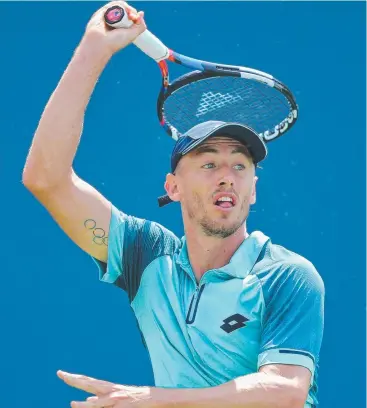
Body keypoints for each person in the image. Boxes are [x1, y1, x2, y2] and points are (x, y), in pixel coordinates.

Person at [22, 2, 325, 407]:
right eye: (209, 162)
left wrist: (152, 399)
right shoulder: (143, 255)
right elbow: (46, 178)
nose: (226, 175)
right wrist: (96, 49)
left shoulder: (286, 275)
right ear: (173, 186)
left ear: (253, 190)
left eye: (240, 165)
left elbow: (284, 392)